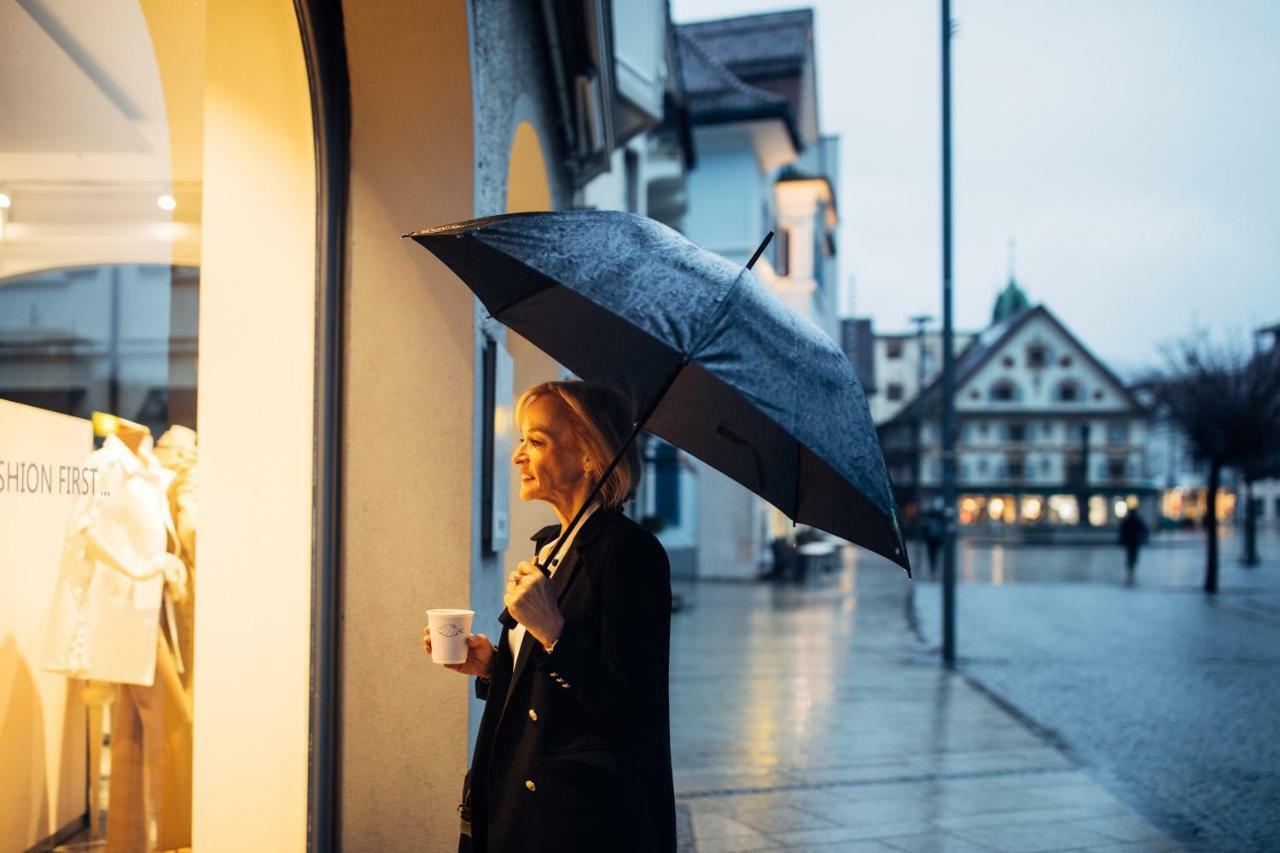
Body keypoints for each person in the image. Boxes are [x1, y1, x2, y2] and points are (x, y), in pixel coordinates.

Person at [424, 380, 675, 853]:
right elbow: (552, 682)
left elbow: (632, 712)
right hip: (514, 797)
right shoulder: (551, 546)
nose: (518, 455)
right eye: (522, 439)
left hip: (573, 821)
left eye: (536, 441)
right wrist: (495, 666)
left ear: (588, 456)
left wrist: (552, 631)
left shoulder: (630, 555)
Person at [1118, 507, 1148, 585]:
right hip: (1134, 542)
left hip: (1130, 542)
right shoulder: (1136, 520)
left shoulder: (1127, 521)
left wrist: (1121, 540)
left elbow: (1122, 531)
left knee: (1130, 557)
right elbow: (1144, 530)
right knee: (1133, 556)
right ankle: (1131, 571)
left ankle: (1130, 571)